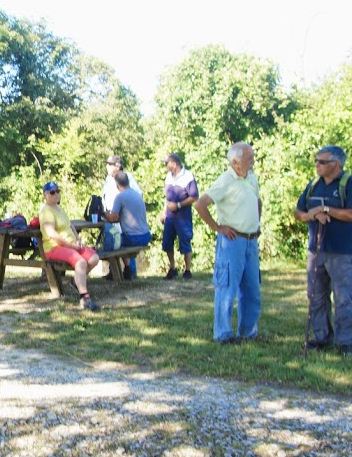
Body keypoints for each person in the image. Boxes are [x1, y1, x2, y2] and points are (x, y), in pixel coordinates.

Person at [295, 145, 352, 356]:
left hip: (342, 252)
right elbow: (299, 212)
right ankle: (321, 337)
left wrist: (326, 210)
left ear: (336, 164)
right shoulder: (313, 185)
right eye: (316, 160)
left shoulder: (351, 185)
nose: (317, 164)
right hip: (316, 250)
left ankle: (345, 342)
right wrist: (311, 215)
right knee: (315, 295)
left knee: (343, 297)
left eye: (321, 162)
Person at [193, 142, 262, 345]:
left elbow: (258, 201)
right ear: (235, 162)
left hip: (251, 240)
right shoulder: (225, 180)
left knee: (252, 289)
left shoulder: (251, 178)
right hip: (232, 241)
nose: (253, 163)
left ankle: (248, 332)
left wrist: (257, 223)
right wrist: (218, 228)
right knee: (226, 288)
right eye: (249, 160)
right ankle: (222, 334)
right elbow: (200, 204)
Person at [39, 181, 100, 311]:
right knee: (81, 262)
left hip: (71, 244)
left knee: (94, 258)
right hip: (54, 247)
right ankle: (84, 297)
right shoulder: (46, 211)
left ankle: (75, 281)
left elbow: (70, 225)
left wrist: (78, 239)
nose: (56, 194)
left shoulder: (59, 208)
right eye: (52, 192)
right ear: (45, 195)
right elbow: (52, 234)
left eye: (57, 191)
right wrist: (72, 246)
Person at [102, 155, 142, 277]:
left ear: (118, 166)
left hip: (124, 217)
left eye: (110, 164)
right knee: (111, 241)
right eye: (107, 164)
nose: (107, 166)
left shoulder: (127, 177)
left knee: (122, 243)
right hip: (111, 216)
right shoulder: (108, 179)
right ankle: (113, 271)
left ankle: (130, 271)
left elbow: (137, 195)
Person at [160, 152, 199, 280]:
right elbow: (167, 197)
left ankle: (187, 270)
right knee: (167, 242)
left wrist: (178, 205)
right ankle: (172, 268)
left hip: (183, 215)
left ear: (174, 164)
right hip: (170, 216)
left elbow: (193, 196)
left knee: (185, 241)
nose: (165, 166)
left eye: (167, 163)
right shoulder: (168, 177)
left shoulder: (187, 176)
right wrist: (164, 212)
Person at [110, 170, 152, 255]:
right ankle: (127, 267)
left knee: (110, 241)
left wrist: (103, 213)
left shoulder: (120, 197)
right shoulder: (137, 194)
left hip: (133, 238)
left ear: (117, 184)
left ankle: (122, 267)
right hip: (146, 236)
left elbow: (112, 218)